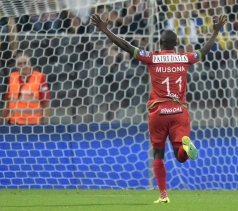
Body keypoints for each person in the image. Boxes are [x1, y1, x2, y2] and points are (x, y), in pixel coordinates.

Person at [91, 13, 227, 203]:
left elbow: (127, 47)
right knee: (180, 157)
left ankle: (163, 195)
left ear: (160, 44)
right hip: (179, 111)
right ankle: (186, 147)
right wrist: (215, 31)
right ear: (176, 44)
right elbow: (204, 50)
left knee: (158, 153)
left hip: (158, 111)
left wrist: (106, 30)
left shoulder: (153, 58)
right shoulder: (185, 58)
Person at [0, 53, 50, 125]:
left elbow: (46, 103)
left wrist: (46, 126)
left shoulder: (39, 77)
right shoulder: (12, 77)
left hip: (32, 124)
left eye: (25, 63)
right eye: (20, 64)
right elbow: (7, 102)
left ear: (30, 63)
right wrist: (0, 123)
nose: (23, 66)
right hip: (13, 123)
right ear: (16, 66)